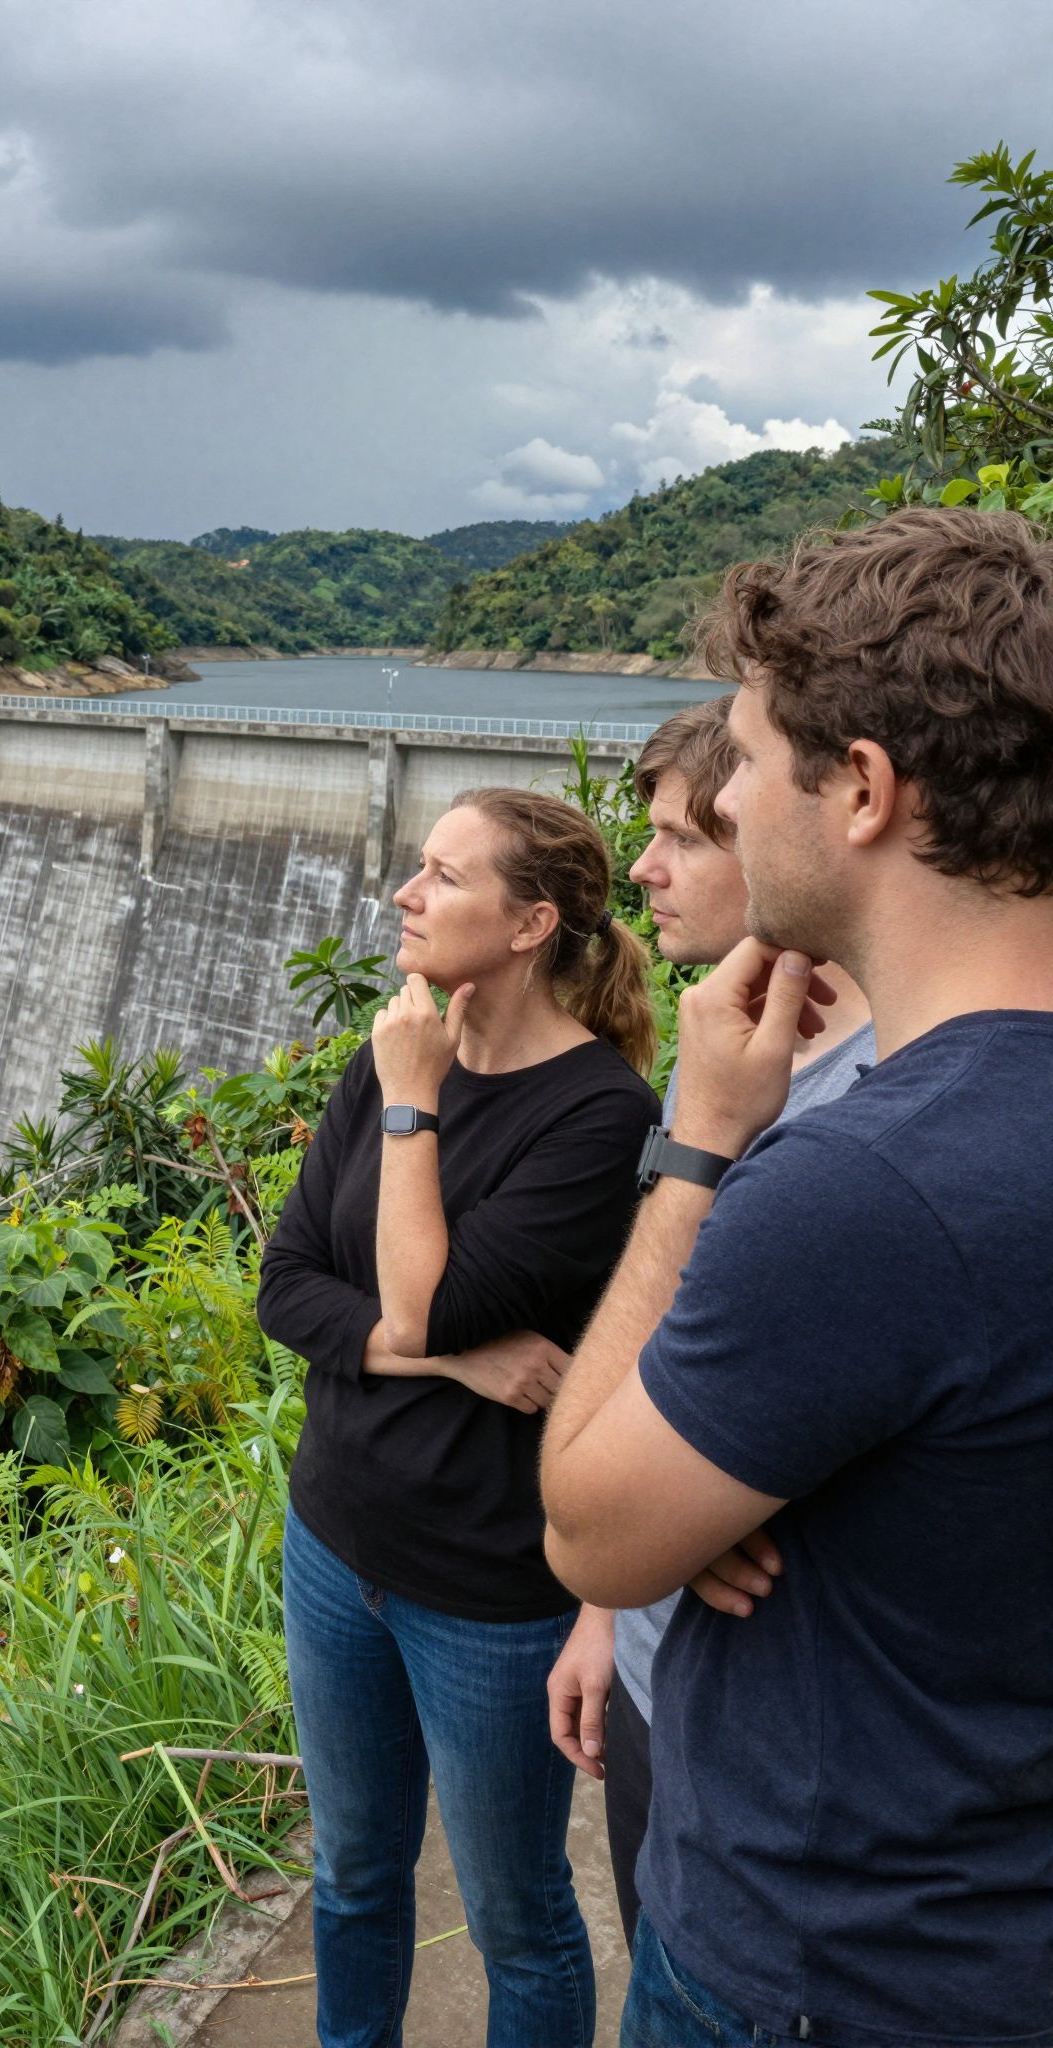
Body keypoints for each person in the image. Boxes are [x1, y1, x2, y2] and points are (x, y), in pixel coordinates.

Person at [541, 507, 1053, 2048]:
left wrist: (696, 1148)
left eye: (751, 764)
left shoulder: (873, 1185)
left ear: (866, 792)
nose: (730, 799)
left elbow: (591, 1525)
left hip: (830, 1973)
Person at [257, 785, 660, 2048]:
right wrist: (450, 1367)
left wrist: (415, 1104)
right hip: (334, 1541)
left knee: (517, 1917)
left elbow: (415, 1300)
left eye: (442, 874)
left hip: (489, 1591)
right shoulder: (384, 1056)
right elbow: (286, 1287)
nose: (405, 893)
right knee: (353, 1874)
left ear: (532, 922)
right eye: (414, 867)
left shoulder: (598, 1118)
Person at [544, 695, 874, 1946]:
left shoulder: (893, 1078)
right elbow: (658, 1300)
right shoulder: (718, 1044)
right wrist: (603, 1611)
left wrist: (700, 1493)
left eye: (691, 831)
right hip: (650, 1638)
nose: (645, 866)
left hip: (777, 1703)